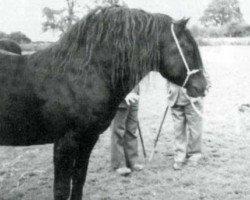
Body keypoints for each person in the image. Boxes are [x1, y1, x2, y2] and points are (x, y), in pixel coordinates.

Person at [167, 75, 211, 170]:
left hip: (193, 100)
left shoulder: (196, 60)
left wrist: (201, 94)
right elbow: (167, 74)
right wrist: (169, 91)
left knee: (195, 130)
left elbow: (206, 78)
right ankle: (179, 157)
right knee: (178, 130)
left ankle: (194, 155)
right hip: (175, 100)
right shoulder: (173, 60)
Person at [111, 85, 144, 175]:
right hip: (120, 97)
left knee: (132, 129)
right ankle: (119, 164)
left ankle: (132, 161)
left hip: (134, 94)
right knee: (118, 131)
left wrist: (135, 91)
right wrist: (125, 94)